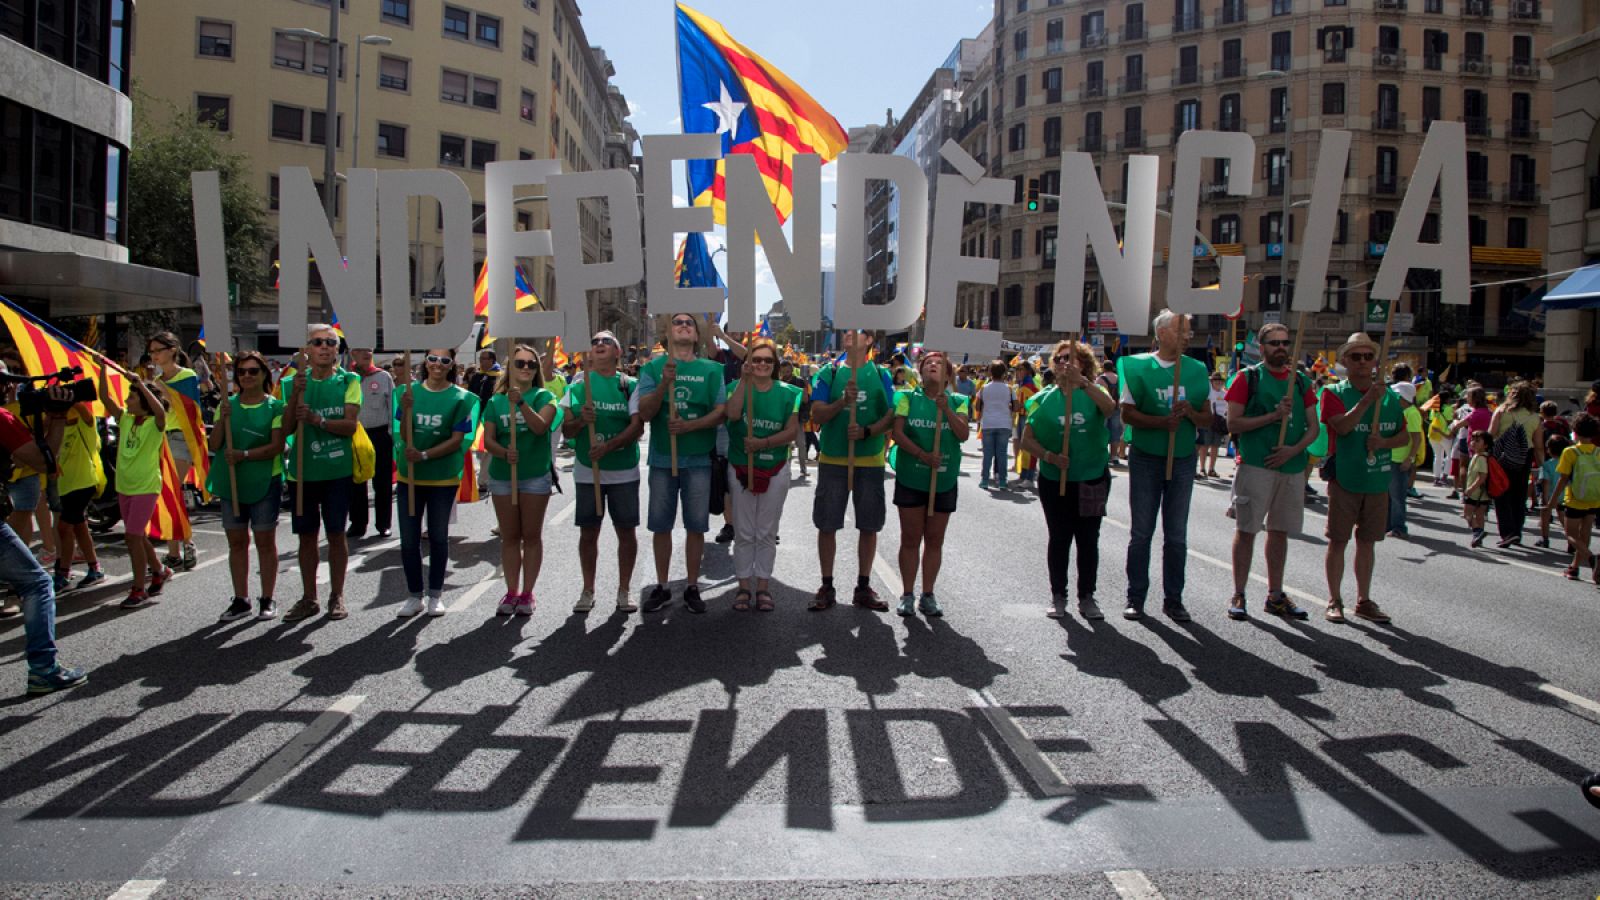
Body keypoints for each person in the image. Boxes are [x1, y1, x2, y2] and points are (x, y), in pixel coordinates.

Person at [1116, 309, 1212, 621]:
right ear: (1162, 333)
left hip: (1182, 459)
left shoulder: (1197, 369)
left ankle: (1174, 599)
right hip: (1146, 458)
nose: (1189, 335)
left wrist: (1191, 415)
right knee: (1142, 532)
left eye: (1189, 330)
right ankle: (1136, 597)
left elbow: (1207, 417)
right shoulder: (1138, 367)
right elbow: (1127, 414)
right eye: (1182, 329)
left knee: (1176, 535)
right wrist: (1161, 422)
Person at [1223, 323, 1320, 621]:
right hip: (1256, 465)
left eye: (1285, 342)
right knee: (1247, 529)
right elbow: (1233, 424)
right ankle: (1239, 592)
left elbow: (1313, 427)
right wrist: (1273, 416)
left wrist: (1294, 451)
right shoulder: (1247, 378)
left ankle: (1275, 595)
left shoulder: (1301, 382)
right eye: (1274, 342)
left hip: (1290, 468)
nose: (1281, 347)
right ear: (1262, 347)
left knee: (1279, 532)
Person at [635, 314, 726, 614]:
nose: (684, 325)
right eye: (677, 322)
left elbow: (720, 412)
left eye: (689, 323)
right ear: (668, 333)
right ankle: (662, 587)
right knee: (661, 525)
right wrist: (664, 384)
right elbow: (645, 413)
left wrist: (691, 426)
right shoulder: (652, 367)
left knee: (695, 526)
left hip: (699, 460)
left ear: (698, 335)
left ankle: (690, 586)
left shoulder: (712, 370)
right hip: (663, 459)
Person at [1319, 332, 1411, 624]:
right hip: (1345, 478)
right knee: (1338, 540)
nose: (1362, 362)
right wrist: (1366, 402)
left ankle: (1364, 599)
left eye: (1368, 356)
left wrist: (1383, 443)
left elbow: (1404, 435)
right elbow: (1342, 427)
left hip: (1377, 480)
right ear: (1344, 360)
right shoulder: (1333, 393)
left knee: (1368, 542)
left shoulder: (1392, 397)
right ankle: (1334, 599)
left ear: (1375, 362)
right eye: (1355, 356)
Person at [0, 390, 88, 693]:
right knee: (37, 583)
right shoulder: (2, 418)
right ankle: (43, 669)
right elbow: (44, 461)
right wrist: (58, 418)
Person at [1020, 340, 1115, 620]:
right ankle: (1058, 595)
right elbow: (1027, 440)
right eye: (1060, 359)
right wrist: (1049, 457)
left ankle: (1087, 596)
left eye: (1071, 359)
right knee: (1059, 538)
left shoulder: (1096, 391)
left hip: (1092, 478)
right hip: (1054, 480)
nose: (1064, 363)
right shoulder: (1042, 398)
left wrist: (1084, 384)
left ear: (1084, 364)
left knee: (1088, 539)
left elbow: (1109, 409)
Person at [807, 330, 895, 613]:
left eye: (857, 332)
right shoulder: (827, 373)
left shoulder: (881, 374)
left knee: (869, 525)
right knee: (827, 524)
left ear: (869, 340)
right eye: (846, 331)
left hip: (869, 461)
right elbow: (817, 414)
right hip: (833, 459)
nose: (849, 334)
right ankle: (827, 585)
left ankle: (863, 586)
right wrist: (842, 402)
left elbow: (891, 415)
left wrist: (869, 431)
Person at [280, 325, 362, 622]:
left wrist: (318, 420)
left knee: (336, 534)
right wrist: (295, 397)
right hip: (302, 472)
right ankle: (309, 597)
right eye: (318, 342)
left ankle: (337, 595)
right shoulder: (291, 384)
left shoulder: (349, 380)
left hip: (336, 471)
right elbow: (286, 429)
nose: (326, 347)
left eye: (332, 342)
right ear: (307, 349)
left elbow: (350, 426)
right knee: (306, 537)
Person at [561, 331, 643, 614]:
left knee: (626, 532)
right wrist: (582, 421)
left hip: (623, 472)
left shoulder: (629, 385)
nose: (599, 345)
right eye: (595, 341)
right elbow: (566, 429)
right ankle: (588, 589)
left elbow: (637, 428)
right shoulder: (577, 387)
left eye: (606, 342)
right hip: (588, 471)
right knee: (588, 533)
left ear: (618, 353)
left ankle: (624, 590)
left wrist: (609, 447)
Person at [393, 348, 479, 617]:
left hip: (442, 478)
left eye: (444, 360)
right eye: (432, 359)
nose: (437, 364)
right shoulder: (406, 394)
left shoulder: (462, 398)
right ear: (425, 362)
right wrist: (406, 412)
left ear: (452, 364)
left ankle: (435, 595)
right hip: (411, 477)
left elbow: (457, 440)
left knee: (439, 537)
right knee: (408, 539)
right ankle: (414, 595)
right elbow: (402, 433)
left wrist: (425, 454)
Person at [890, 350, 971, 617]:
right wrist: (922, 454)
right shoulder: (905, 398)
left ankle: (928, 594)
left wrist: (945, 408)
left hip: (943, 480)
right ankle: (907, 594)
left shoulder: (959, 401)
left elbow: (962, 435)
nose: (933, 366)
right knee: (910, 538)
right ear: (920, 372)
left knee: (935, 540)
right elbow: (897, 434)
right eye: (928, 363)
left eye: (939, 363)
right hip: (911, 477)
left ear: (948, 374)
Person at [207, 352, 286, 621]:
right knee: (237, 542)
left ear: (264, 374)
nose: (247, 376)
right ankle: (241, 599)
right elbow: (214, 445)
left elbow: (276, 447)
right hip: (233, 484)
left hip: (265, 482)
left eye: (253, 371)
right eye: (242, 371)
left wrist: (245, 456)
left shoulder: (275, 407)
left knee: (265, 542)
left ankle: (268, 598)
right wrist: (222, 419)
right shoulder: (227, 405)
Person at [723, 342, 802, 611]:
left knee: (766, 531)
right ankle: (744, 587)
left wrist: (763, 443)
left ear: (775, 365)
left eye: (768, 361)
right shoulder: (735, 388)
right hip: (740, 466)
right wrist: (744, 380)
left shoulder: (791, 393)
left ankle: (764, 587)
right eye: (756, 360)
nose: (762, 365)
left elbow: (791, 432)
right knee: (744, 532)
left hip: (775, 467)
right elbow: (732, 414)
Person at [482, 345, 560, 615]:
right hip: (503, 477)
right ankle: (511, 591)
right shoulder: (495, 402)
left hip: (535, 477)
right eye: (519, 363)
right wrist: (504, 452)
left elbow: (540, 428)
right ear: (510, 368)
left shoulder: (545, 396)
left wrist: (522, 403)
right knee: (510, 537)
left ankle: (527, 593)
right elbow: (488, 441)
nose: (525, 368)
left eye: (531, 364)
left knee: (531, 535)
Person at [105, 377, 168, 610]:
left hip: (145, 487)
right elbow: (105, 398)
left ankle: (139, 589)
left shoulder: (155, 423)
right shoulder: (125, 420)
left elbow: (160, 412)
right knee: (137, 535)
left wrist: (141, 384)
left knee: (132, 537)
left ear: (142, 400)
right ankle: (159, 571)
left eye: (131, 397)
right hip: (124, 486)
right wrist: (101, 368)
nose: (126, 400)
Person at [146, 331, 201, 571]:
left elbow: (187, 407)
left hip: (181, 437)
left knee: (172, 491)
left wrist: (156, 386)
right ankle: (174, 551)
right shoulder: (156, 379)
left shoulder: (186, 375)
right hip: (160, 438)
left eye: (158, 350)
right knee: (166, 493)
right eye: (152, 351)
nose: (154, 355)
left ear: (172, 350)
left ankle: (187, 544)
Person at [49, 390, 106, 594]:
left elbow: (85, 412)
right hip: (66, 485)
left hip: (84, 482)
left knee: (64, 527)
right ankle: (94, 568)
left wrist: (72, 397)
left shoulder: (85, 424)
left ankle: (63, 574)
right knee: (80, 527)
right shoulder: (56, 427)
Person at [1488, 381, 1544, 548]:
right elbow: (1539, 445)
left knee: (1501, 492)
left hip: (1502, 454)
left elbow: (1491, 434)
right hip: (1524, 455)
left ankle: (1507, 532)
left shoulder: (1501, 411)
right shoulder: (1535, 417)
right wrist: (1541, 466)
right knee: (1519, 495)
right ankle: (1517, 532)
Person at [347, 346, 395, 540]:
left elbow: (392, 406)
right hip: (356, 435)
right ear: (353, 355)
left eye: (369, 350)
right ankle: (357, 523)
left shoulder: (383, 377)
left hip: (379, 435)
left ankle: (383, 524)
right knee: (356, 482)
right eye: (361, 350)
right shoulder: (347, 378)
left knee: (382, 483)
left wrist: (392, 435)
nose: (367, 354)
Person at [1552, 414, 1600, 581]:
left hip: (1575, 499)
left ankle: (1592, 558)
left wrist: (1552, 501)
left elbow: (1563, 479)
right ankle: (1574, 568)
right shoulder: (1598, 451)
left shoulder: (1571, 452)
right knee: (1585, 532)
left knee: (1570, 534)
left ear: (1575, 431)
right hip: (1594, 498)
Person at [1386, 382, 1424, 539]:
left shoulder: (1412, 413)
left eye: (1397, 395)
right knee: (1388, 495)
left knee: (1397, 496)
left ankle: (1399, 527)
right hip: (1390, 457)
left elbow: (1416, 438)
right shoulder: (1400, 411)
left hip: (1400, 460)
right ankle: (1388, 525)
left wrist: (1409, 459)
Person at [975, 361, 1015, 490]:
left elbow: (977, 406)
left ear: (990, 373)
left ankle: (985, 480)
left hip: (988, 423)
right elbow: (1017, 406)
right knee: (1002, 454)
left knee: (988, 454)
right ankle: (1002, 481)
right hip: (1004, 423)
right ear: (1004, 373)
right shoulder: (1009, 388)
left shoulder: (983, 388)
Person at [778, 359, 811, 479]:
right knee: (785, 445)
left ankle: (803, 469)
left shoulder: (800, 382)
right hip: (784, 419)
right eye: (783, 371)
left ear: (792, 370)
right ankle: (786, 469)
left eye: (788, 371)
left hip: (797, 418)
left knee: (801, 444)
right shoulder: (778, 383)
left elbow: (805, 400)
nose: (786, 373)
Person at [1536, 432, 1568, 549]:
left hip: (1549, 495)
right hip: (1564, 496)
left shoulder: (1546, 465)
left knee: (1545, 517)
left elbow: (1546, 482)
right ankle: (1571, 540)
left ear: (1549, 450)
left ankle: (1544, 538)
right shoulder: (1568, 464)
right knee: (1564, 519)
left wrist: (1545, 498)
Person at [1462, 430, 1492, 548]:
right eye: (1472, 439)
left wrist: (1470, 488)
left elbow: (1482, 476)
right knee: (1480, 515)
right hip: (1484, 493)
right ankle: (1478, 537)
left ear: (1486, 445)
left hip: (1476, 492)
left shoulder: (1480, 458)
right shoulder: (1482, 456)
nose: (1473, 442)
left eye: (1477, 441)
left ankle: (1477, 531)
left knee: (1467, 513)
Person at [1198, 372, 1229, 480]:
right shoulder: (1208, 392)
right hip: (1208, 420)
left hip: (1219, 422)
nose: (1219, 383)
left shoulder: (1224, 393)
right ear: (1212, 382)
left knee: (1215, 446)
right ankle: (1202, 468)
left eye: (1221, 381)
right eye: (1216, 381)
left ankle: (1211, 468)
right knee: (1204, 445)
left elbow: (1227, 407)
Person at [1426, 388, 1458, 487]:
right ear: (1447, 399)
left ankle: (1436, 478)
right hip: (1445, 435)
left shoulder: (1434, 409)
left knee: (1437, 456)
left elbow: (1431, 419)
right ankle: (1444, 477)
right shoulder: (1449, 408)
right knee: (1449, 456)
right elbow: (1450, 421)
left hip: (1433, 434)